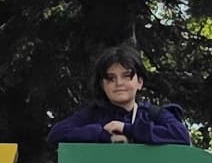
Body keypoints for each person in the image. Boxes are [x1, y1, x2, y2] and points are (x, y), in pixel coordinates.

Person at [51, 46, 193, 143]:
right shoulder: (92, 114)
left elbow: (181, 136)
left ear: (140, 82)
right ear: (102, 85)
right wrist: (103, 134)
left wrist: (128, 129)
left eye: (126, 76)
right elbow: (56, 135)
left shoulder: (153, 114)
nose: (119, 83)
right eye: (111, 78)